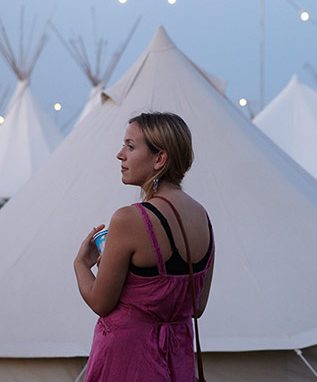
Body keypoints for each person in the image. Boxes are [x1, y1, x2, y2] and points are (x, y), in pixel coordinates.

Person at [74, 112, 215, 382]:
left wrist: (81, 265)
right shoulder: (202, 217)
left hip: (129, 362)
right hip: (177, 361)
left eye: (130, 146)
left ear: (159, 159)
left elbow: (101, 303)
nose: (120, 155)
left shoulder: (130, 219)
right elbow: (196, 306)